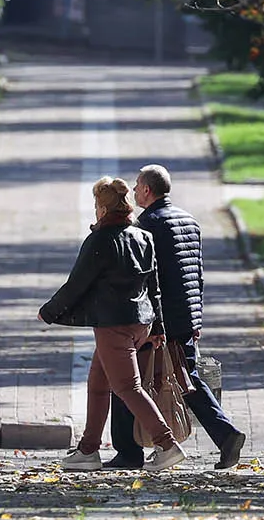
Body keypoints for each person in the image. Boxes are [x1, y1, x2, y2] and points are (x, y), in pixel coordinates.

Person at [38, 176, 189, 473]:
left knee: (128, 387)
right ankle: (88, 450)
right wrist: (158, 327)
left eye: (97, 205)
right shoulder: (143, 237)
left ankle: (167, 445)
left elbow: (76, 284)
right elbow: (154, 286)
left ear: (104, 209)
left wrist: (49, 312)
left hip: (113, 325)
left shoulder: (100, 240)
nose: (96, 211)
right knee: (98, 384)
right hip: (140, 323)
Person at [109, 164, 247, 470]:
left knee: (126, 378)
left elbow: (149, 278)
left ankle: (129, 451)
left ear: (147, 190)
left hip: (160, 319)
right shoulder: (188, 220)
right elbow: (196, 274)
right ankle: (226, 435)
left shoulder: (148, 224)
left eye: (137, 186)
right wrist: (196, 319)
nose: (134, 191)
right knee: (187, 379)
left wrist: (152, 323)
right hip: (185, 316)